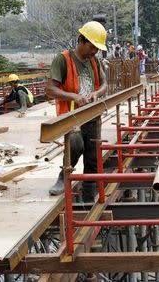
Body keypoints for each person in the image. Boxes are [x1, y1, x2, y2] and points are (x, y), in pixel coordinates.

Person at [45, 21, 108, 202]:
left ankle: (89, 197)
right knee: (75, 144)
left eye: (97, 48)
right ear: (82, 40)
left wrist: (96, 93)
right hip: (71, 116)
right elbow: (50, 89)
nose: (94, 51)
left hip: (92, 115)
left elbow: (104, 84)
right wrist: (73, 96)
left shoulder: (94, 61)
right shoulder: (63, 60)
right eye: (92, 47)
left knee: (92, 156)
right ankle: (63, 177)